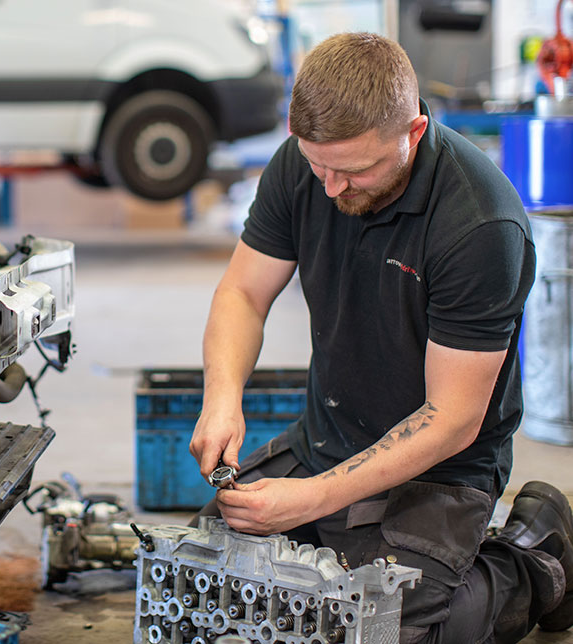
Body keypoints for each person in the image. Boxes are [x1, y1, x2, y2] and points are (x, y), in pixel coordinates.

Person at [189, 32, 572, 643]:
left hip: (440, 469)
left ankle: (530, 559)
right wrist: (221, 398)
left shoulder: (480, 225)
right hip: (328, 437)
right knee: (210, 585)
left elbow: (452, 419)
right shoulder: (306, 162)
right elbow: (242, 293)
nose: (333, 188)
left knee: (386, 630)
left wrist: (311, 499)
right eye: (320, 168)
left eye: (356, 170)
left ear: (414, 133)